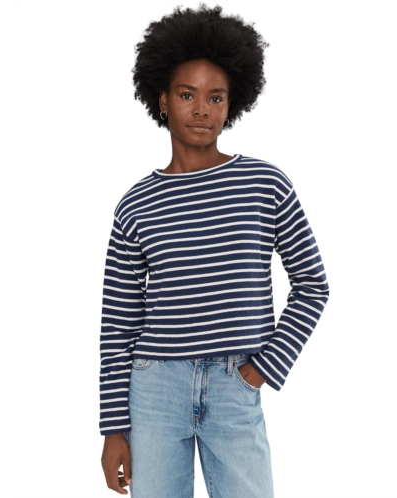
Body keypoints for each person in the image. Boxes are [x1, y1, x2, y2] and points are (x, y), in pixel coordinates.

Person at [100, 3, 330, 496]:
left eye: (216, 97)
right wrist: (113, 428)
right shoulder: (135, 204)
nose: (201, 109)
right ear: (163, 100)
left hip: (235, 385)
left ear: (232, 103)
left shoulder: (265, 184)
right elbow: (118, 323)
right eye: (187, 94)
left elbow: (313, 285)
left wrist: (262, 368)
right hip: (154, 392)